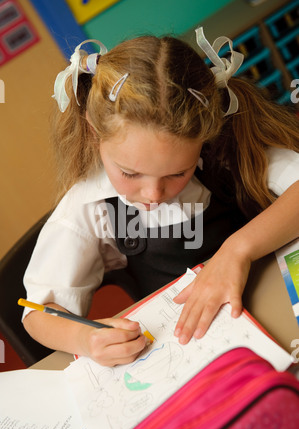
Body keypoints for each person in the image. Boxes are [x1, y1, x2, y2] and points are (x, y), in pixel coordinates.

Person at [22, 28, 299, 366]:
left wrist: (237, 250)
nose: (153, 193)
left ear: (206, 135)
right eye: (130, 173)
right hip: (194, 352)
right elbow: (39, 311)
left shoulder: (228, 149)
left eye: (176, 174)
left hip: (278, 313)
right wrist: (86, 338)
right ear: (95, 133)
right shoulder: (91, 207)